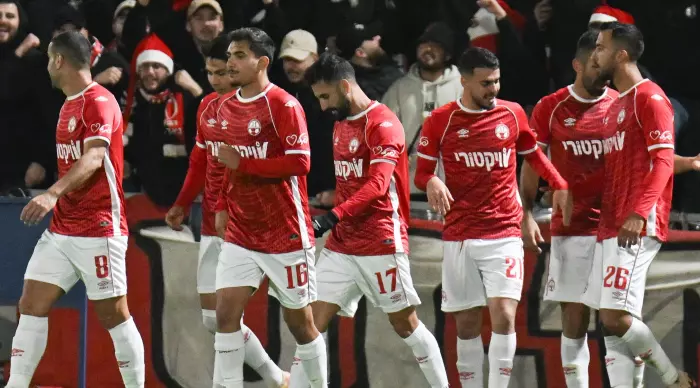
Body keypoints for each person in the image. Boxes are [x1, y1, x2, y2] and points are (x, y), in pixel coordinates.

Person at [414, 47, 572, 388]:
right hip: (460, 234)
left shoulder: (513, 114)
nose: (494, 89)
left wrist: (559, 183)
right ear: (464, 80)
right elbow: (421, 172)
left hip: (503, 231)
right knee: (468, 324)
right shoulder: (441, 120)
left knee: (503, 314)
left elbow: (534, 156)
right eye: (486, 83)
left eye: (497, 81)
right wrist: (432, 179)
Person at [295, 52, 450, 388]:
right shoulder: (339, 124)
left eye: (325, 96)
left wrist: (333, 215)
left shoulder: (383, 123)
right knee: (307, 325)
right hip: (342, 245)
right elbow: (349, 183)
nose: (321, 107)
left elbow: (378, 186)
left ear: (345, 86)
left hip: (380, 240)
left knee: (405, 325)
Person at [10, 31, 144, 387]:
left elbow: (95, 158)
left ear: (58, 61)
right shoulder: (68, 103)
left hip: (99, 227)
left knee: (114, 315)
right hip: (62, 230)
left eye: (49, 61)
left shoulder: (100, 102)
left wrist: (52, 193)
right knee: (31, 303)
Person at [165, 34, 290, 387]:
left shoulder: (262, 106)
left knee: (228, 316)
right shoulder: (207, 107)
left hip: (254, 223)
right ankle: (277, 376)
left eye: (223, 72)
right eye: (211, 73)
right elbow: (199, 162)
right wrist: (181, 202)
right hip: (211, 222)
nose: (217, 80)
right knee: (212, 318)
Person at [580, 22, 694, 388]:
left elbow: (660, 162)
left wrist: (638, 213)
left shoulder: (651, 98)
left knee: (616, 317)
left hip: (635, 223)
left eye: (600, 47)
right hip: (610, 222)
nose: (595, 54)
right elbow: (638, 159)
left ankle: (675, 379)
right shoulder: (618, 105)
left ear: (621, 54)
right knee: (613, 321)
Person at [211, 27, 326, 388]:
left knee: (301, 324)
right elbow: (223, 165)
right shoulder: (225, 107)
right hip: (242, 230)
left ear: (262, 62)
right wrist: (221, 205)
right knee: (225, 316)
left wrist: (243, 164)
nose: (231, 62)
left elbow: (300, 163)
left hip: (285, 232)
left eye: (239, 55)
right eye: (230, 55)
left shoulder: (284, 105)